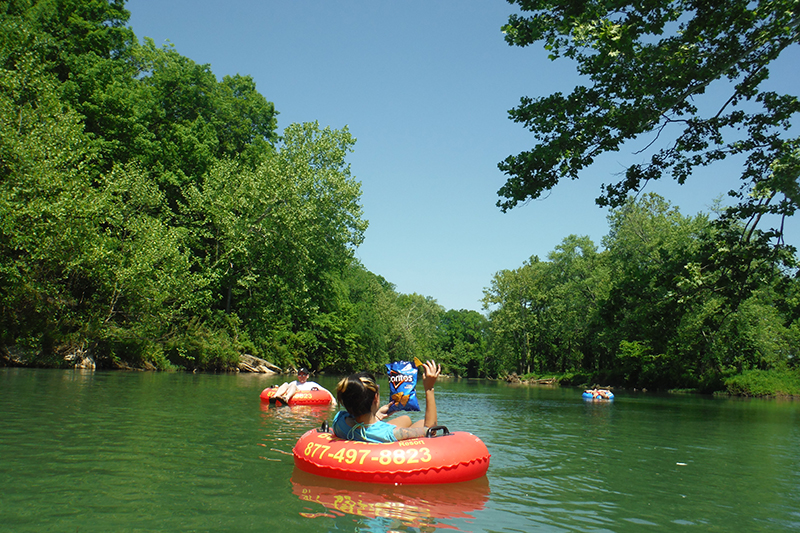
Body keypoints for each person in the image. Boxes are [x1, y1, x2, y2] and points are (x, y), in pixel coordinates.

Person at [332, 359, 441, 443]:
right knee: (422, 422)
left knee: (406, 418)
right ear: (375, 398)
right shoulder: (389, 433)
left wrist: (377, 415)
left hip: (366, 430)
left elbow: (361, 424)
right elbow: (431, 430)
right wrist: (429, 388)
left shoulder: (339, 420)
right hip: (382, 439)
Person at [271, 367, 336, 405]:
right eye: (300, 375)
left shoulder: (312, 384)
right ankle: (274, 397)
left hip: (302, 398)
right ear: (297, 376)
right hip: (292, 394)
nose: (302, 377)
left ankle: (286, 398)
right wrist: (277, 387)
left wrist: (333, 399)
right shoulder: (295, 382)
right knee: (286, 383)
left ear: (307, 376)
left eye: (304, 375)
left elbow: (326, 391)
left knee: (293, 386)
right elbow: (285, 387)